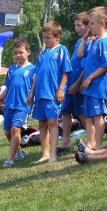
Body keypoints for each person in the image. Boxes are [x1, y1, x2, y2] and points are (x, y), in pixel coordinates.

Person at [27, 21, 71, 163]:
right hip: (40, 93)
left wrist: (60, 89)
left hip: (52, 92)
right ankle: (45, 153)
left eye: (48, 38)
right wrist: (31, 92)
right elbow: (36, 74)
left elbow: (65, 72)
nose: (46, 40)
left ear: (57, 36)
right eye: (44, 38)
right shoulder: (42, 53)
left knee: (52, 121)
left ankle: (53, 155)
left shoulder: (61, 50)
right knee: (42, 124)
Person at [0, 38, 36, 167]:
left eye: (21, 52)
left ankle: (10, 159)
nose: (18, 55)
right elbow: (7, 87)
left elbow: (34, 86)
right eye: (16, 52)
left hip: (23, 105)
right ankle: (18, 152)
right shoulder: (11, 69)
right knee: (7, 133)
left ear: (28, 52)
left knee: (15, 129)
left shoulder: (33, 69)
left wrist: (32, 97)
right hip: (9, 104)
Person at [78, 7, 107, 151]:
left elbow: (105, 65)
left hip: (97, 86)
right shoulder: (95, 41)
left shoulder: (105, 42)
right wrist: (85, 37)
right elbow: (80, 54)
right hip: (89, 87)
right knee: (88, 117)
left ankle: (98, 145)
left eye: (92, 24)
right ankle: (90, 144)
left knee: (97, 117)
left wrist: (90, 78)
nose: (89, 26)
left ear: (102, 24)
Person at [58, 12, 88, 153]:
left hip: (78, 84)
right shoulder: (79, 42)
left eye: (79, 25)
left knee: (81, 113)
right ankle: (65, 142)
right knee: (66, 111)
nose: (76, 28)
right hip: (70, 83)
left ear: (88, 26)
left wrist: (77, 83)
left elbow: (87, 66)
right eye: (75, 25)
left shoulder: (88, 42)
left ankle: (90, 140)